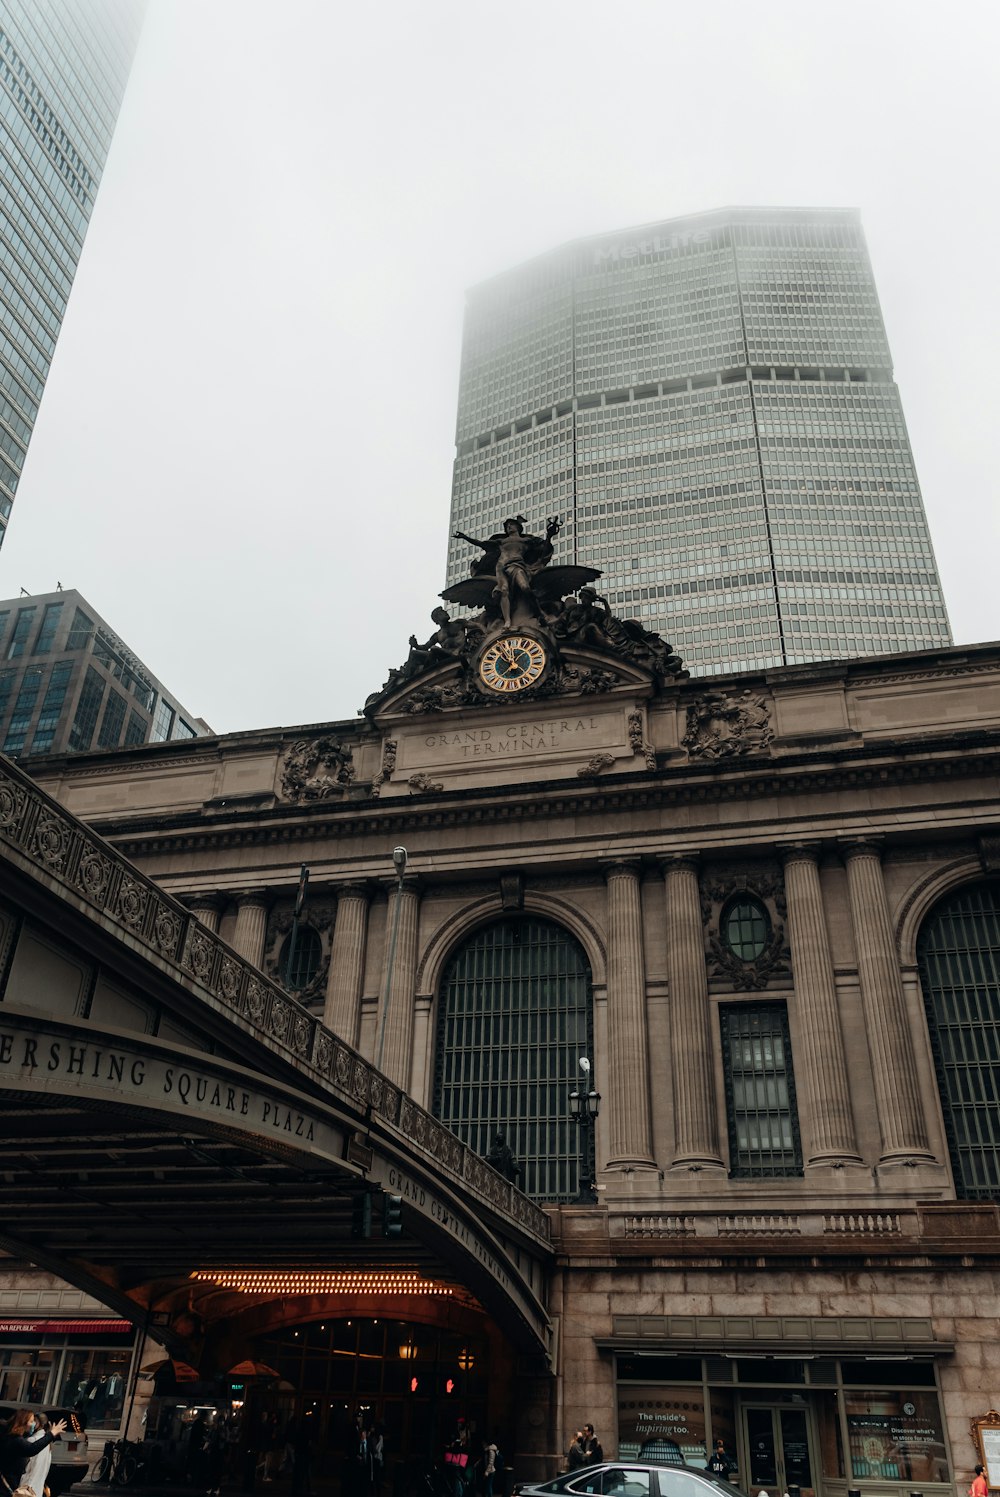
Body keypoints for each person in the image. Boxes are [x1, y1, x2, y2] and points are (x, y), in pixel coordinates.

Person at [0, 1411, 66, 1497]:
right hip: (13, 1488)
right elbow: (32, 1449)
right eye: (31, 1421)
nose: (33, 1424)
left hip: (23, 1489)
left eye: (34, 1421)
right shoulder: (16, 1440)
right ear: (23, 1422)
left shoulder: (15, 1438)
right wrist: (51, 1434)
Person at [21, 1416, 53, 1497]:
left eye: (33, 1421)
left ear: (39, 1424)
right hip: (37, 1488)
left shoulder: (33, 1440)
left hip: (26, 1486)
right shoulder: (48, 1443)